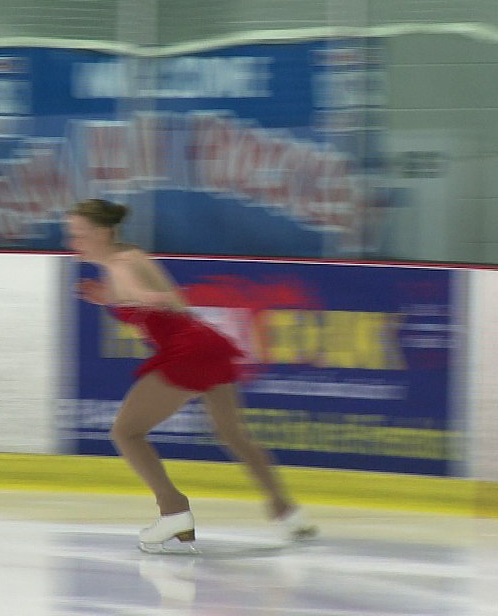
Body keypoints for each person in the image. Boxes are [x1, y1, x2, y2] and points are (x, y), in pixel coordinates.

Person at [65, 198, 316, 552]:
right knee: (233, 434)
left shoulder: (120, 266)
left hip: (188, 351)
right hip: (207, 342)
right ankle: (287, 512)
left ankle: (173, 510)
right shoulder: (130, 257)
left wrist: (147, 297)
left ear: (104, 232)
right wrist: (108, 296)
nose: (74, 242)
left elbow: (145, 295)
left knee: (126, 432)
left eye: (80, 234)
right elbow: (158, 299)